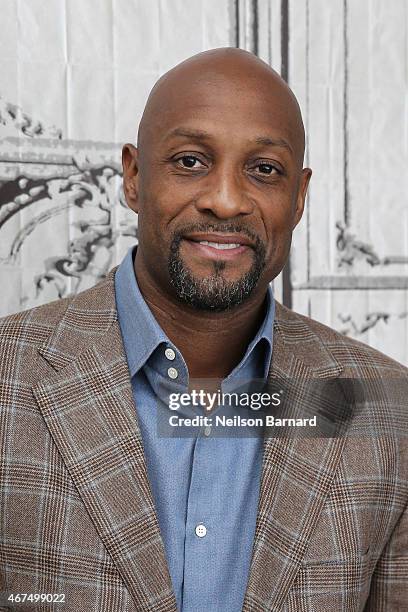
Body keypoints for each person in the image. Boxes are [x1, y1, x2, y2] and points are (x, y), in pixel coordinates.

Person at [0, 47, 407, 612]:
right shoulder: (9, 375)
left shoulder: (382, 411)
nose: (225, 200)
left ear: (300, 197)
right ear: (135, 177)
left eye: (264, 169)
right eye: (191, 161)